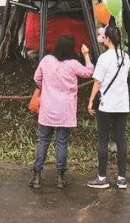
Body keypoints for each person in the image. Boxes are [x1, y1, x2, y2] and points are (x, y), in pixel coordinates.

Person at [30, 34, 94, 188]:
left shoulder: (46, 60)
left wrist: (44, 87)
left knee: (43, 142)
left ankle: (37, 177)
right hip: (65, 111)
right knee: (62, 143)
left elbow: (37, 78)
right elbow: (89, 72)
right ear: (71, 49)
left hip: (47, 110)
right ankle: (60, 178)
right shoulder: (73, 64)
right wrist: (86, 55)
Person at [86, 23, 130, 189]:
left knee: (103, 140)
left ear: (108, 39)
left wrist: (91, 100)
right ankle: (121, 178)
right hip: (122, 104)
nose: (102, 39)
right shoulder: (125, 57)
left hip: (106, 105)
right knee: (121, 140)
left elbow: (98, 81)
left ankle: (102, 177)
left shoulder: (104, 58)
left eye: (104, 36)